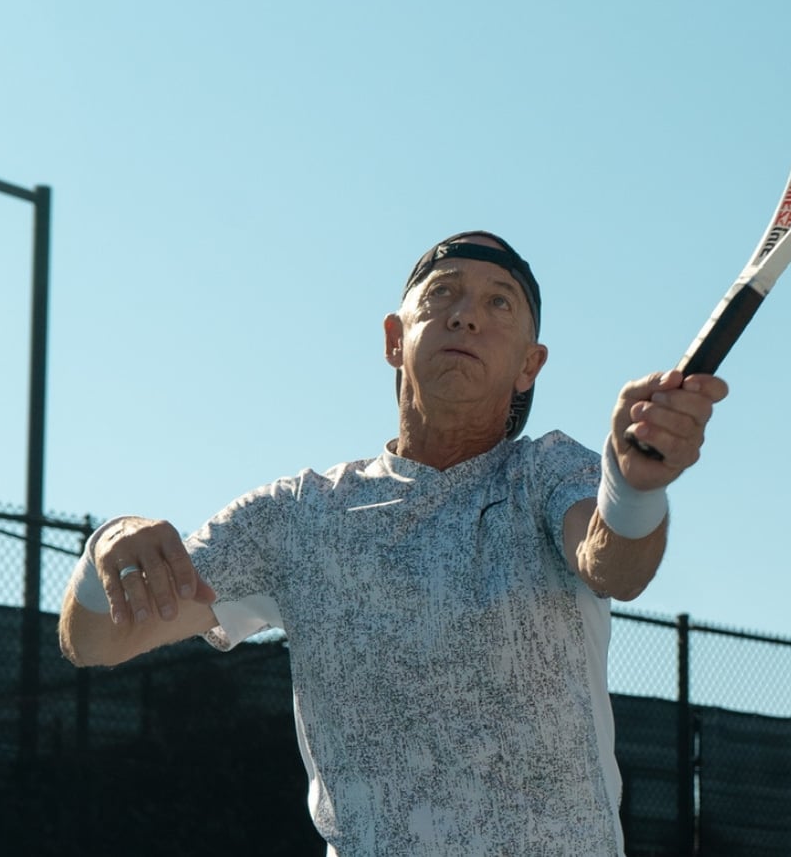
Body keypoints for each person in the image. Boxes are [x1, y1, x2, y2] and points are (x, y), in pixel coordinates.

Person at [58, 231, 727, 856]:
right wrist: (106, 549)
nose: (467, 316)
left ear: (530, 365)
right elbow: (95, 641)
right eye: (443, 293)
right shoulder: (298, 514)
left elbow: (614, 563)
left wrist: (633, 488)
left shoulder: (551, 471)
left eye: (500, 302)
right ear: (393, 338)